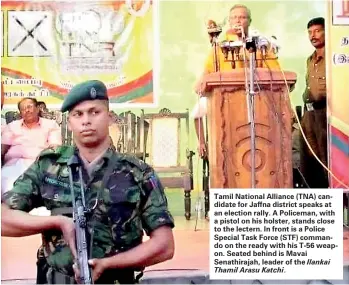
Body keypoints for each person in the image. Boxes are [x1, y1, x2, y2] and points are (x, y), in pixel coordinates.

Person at [1, 80, 175, 284]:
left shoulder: (137, 173)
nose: (86, 121)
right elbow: (4, 219)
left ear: (109, 118)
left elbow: (164, 245)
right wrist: (57, 222)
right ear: (69, 122)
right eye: (78, 114)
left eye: (94, 112)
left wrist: (108, 264)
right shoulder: (49, 166)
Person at [193, 4, 282, 156]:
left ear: (249, 21)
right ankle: (203, 144)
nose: (238, 21)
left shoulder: (259, 45)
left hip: (256, 100)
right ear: (229, 21)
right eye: (234, 17)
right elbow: (204, 76)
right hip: (223, 100)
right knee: (196, 112)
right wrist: (202, 82)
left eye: (242, 17)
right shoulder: (220, 47)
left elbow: (276, 73)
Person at [1, 97, 62, 194]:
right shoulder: (12, 126)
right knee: (7, 189)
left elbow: (55, 148)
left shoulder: (50, 125)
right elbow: (2, 149)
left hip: (39, 164)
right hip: (14, 164)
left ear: (37, 108)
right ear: (20, 113)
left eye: (29, 107)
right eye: (23, 109)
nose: (27, 110)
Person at [299, 17, 328, 188]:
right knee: (309, 160)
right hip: (309, 115)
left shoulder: (333, 58)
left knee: (326, 160)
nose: (313, 35)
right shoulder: (310, 60)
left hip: (325, 114)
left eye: (317, 31)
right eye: (310, 32)